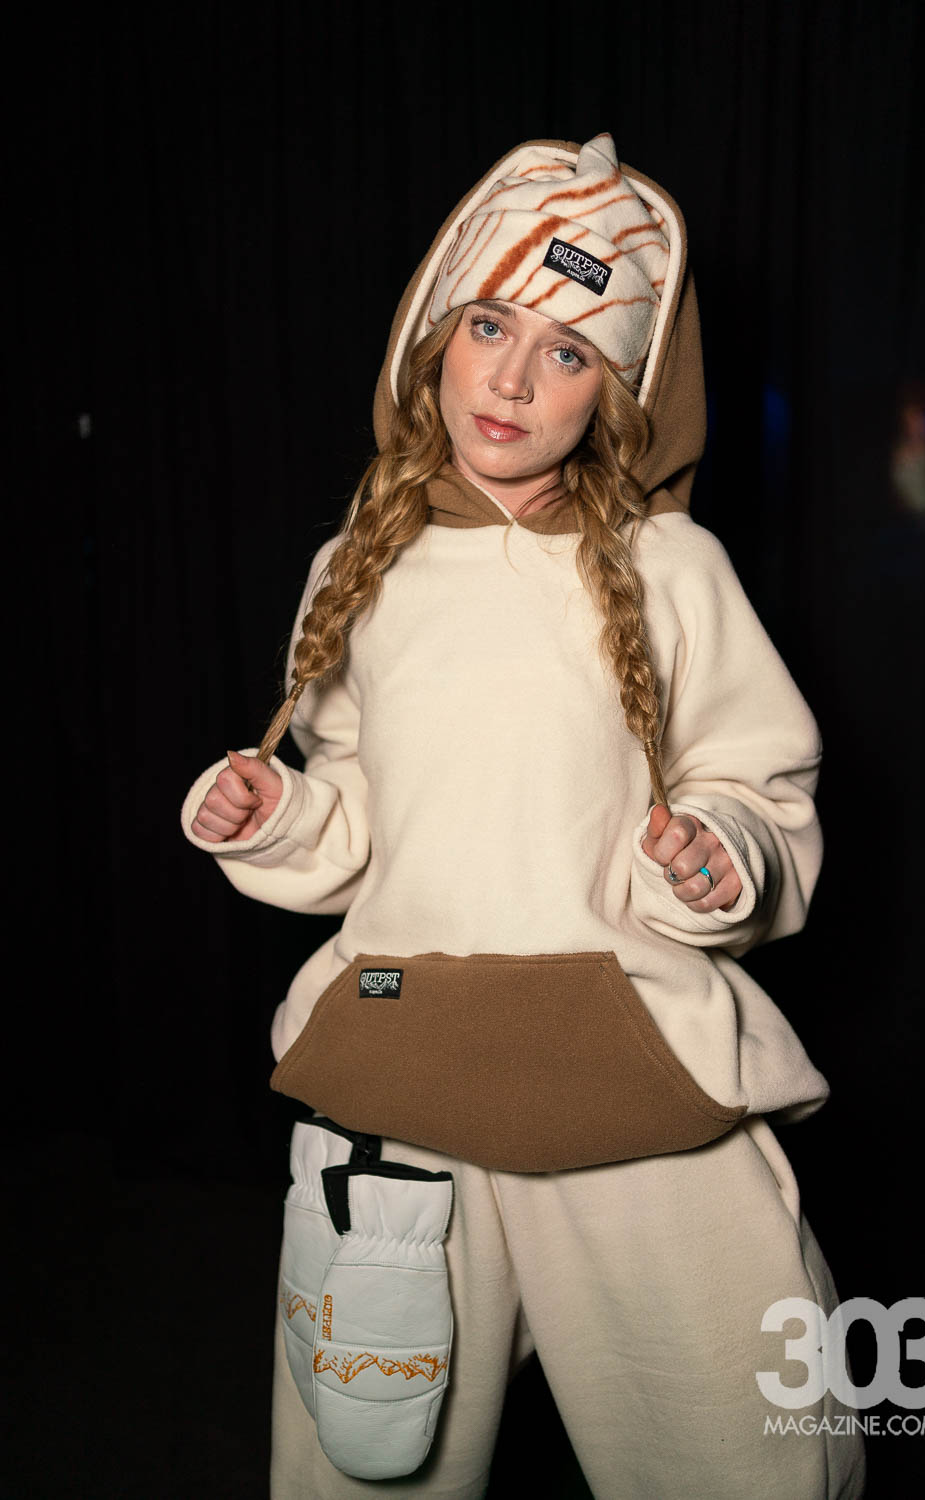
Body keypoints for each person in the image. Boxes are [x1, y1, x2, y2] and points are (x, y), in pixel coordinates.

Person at [181, 133, 866, 1500]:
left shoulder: (675, 567)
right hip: (400, 1071)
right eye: (490, 326)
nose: (510, 379)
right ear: (431, 338)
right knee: (363, 1456)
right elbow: (359, 820)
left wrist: (716, 853)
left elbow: (759, 789)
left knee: (746, 1455)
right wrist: (273, 813)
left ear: (617, 394)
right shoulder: (357, 564)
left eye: (567, 351)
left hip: (634, 1081)